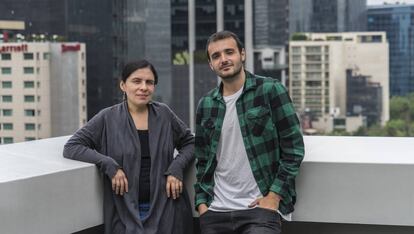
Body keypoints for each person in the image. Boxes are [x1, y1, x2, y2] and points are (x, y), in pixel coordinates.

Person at [63, 60, 194, 234]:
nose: (143, 87)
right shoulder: (108, 118)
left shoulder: (164, 114)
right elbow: (72, 146)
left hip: (167, 208)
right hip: (124, 212)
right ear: (123, 85)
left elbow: (190, 143)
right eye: (136, 81)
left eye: (149, 82)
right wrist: (108, 164)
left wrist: (176, 167)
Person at [194, 31, 305, 234]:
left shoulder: (270, 90)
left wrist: (274, 196)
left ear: (242, 55)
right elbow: (202, 160)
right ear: (210, 64)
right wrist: (202, 204)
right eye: (216, 56)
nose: (224, 59)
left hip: (259, 209)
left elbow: (294, 149)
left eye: (229, 52)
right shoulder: (206, 104)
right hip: (215, 211)